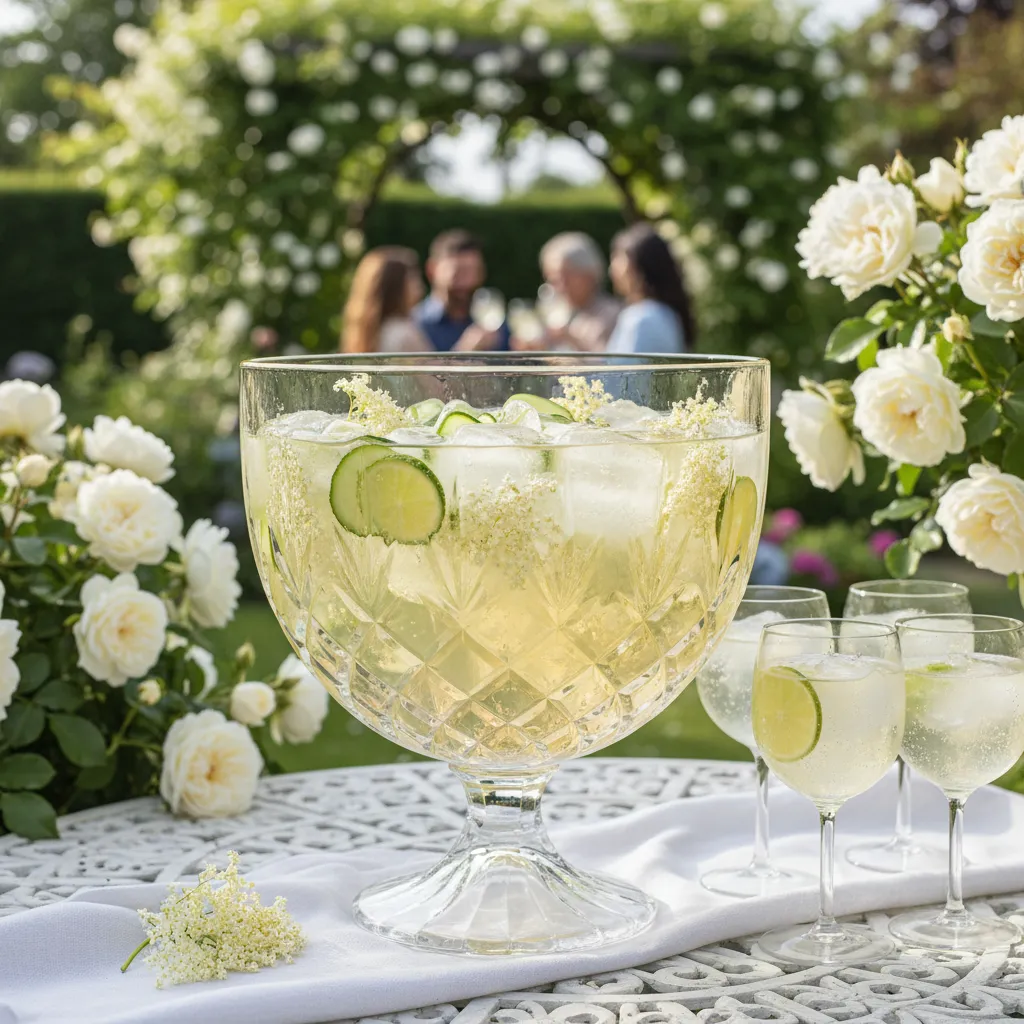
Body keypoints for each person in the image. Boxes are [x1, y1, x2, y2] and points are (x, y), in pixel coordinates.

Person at [413, 230, 510, 352]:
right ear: (432, 270)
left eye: (475, 272)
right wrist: (465, 351)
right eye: (458, 273)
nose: (468, 283)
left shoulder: (495, 323)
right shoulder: (415, 325)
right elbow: (419, 371)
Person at [606, 223, 695, 354]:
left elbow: (622, 372)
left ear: (637, 267)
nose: (612, 269)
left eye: (618, 258)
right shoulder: (665, 314)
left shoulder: (641, 319)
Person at [534, 232, 621, 352]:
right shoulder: (555, 313)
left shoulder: (614, 315)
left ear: (590, 274)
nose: (559, 285)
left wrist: (571, 340)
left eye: (565, 276)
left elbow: (612, 364)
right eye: (552, 278)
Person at [341, 247, 431, 353]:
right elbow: (432, 368)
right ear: (395, 286)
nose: (419, 285)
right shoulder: (403, 334)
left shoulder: (369, 332)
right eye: (413, 278)